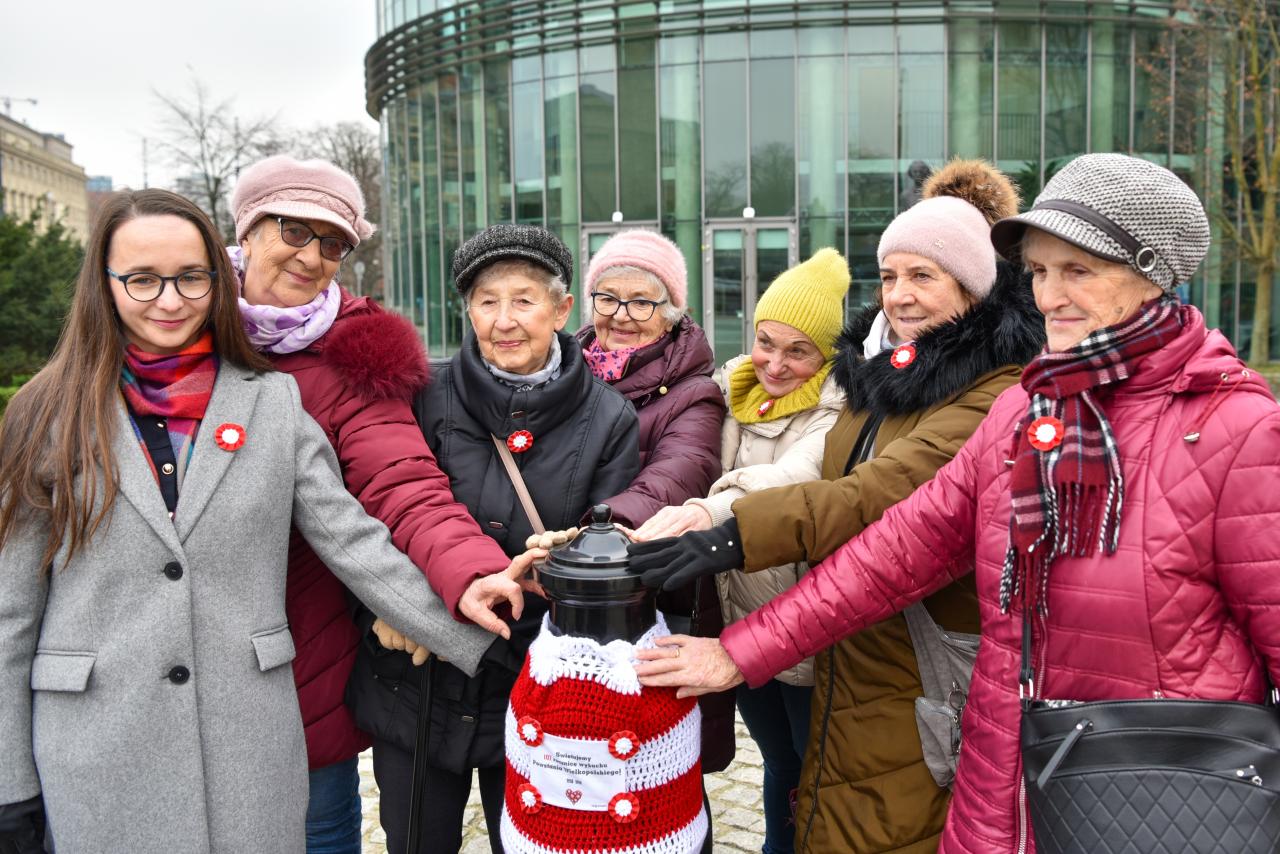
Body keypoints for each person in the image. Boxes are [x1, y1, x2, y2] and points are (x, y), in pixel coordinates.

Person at [633, 153, 1280, 854]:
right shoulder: (1021, 416)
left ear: (1153, 275)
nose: (1049, 295)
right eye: (1036, 270)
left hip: (1165, 805)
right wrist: (738, 653)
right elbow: (889, 557)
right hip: (1002, 792)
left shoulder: (1234, 431)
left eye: (1078, 270)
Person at [0, 190, 502, 854]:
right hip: (97, 743)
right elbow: (10, 612)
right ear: (105, 285)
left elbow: (350, 537)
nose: (170, 300)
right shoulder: (47, 414)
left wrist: (480, 623)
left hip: (246, 745)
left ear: (217, 278)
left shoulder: (271, 401)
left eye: (189, 277)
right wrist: (9, 787)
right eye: (143, 280)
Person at [630, 160, 1044, 852]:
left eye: (924, 277)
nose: (900, 297)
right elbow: (815, 467)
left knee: (897, 819)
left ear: (973, 287)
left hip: (925, 658)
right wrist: (711, 514)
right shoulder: (886, 377)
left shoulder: (991, 391)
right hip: (852, 644)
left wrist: (728, 535)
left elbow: (877, 494)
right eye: (889, 277)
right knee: (822, 801)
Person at [229, 155, 526, 854]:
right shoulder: (178, 327)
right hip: (176, 656)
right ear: (247, 231)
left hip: (302, 654)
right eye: (293, 230)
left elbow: (404, 484)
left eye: (333, 243)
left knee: (321, 829)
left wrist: (471, 572)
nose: (312, 256)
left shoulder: (355, 358)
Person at [346, 224, 640, 854]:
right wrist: (390, 610)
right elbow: (373, 509)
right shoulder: (420, 394)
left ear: (562, 310)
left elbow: (603, 559)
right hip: (416, 679)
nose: (504, 320)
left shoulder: (610, 419)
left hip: (532, 691)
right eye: (486, 300)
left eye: (524, 299)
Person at [634, 247, 851, 854]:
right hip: (739, 620)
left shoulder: (841, 408)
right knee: (779, 760)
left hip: (803, 622)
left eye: (798, 351)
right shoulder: (731, 390)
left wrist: (708, 509)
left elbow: (790, 478)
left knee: (816, 767)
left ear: (827, 353)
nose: (776, 364)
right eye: (766, 342)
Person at [574, 230, 736, 803]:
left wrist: (594, 532)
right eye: (608, 297)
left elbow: (680, 472)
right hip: (566, 591)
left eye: (642, 301)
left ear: (671, 313)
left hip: (651, 599)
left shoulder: (694, 394)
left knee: (655, 778)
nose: (622, 315)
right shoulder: (561, 373)